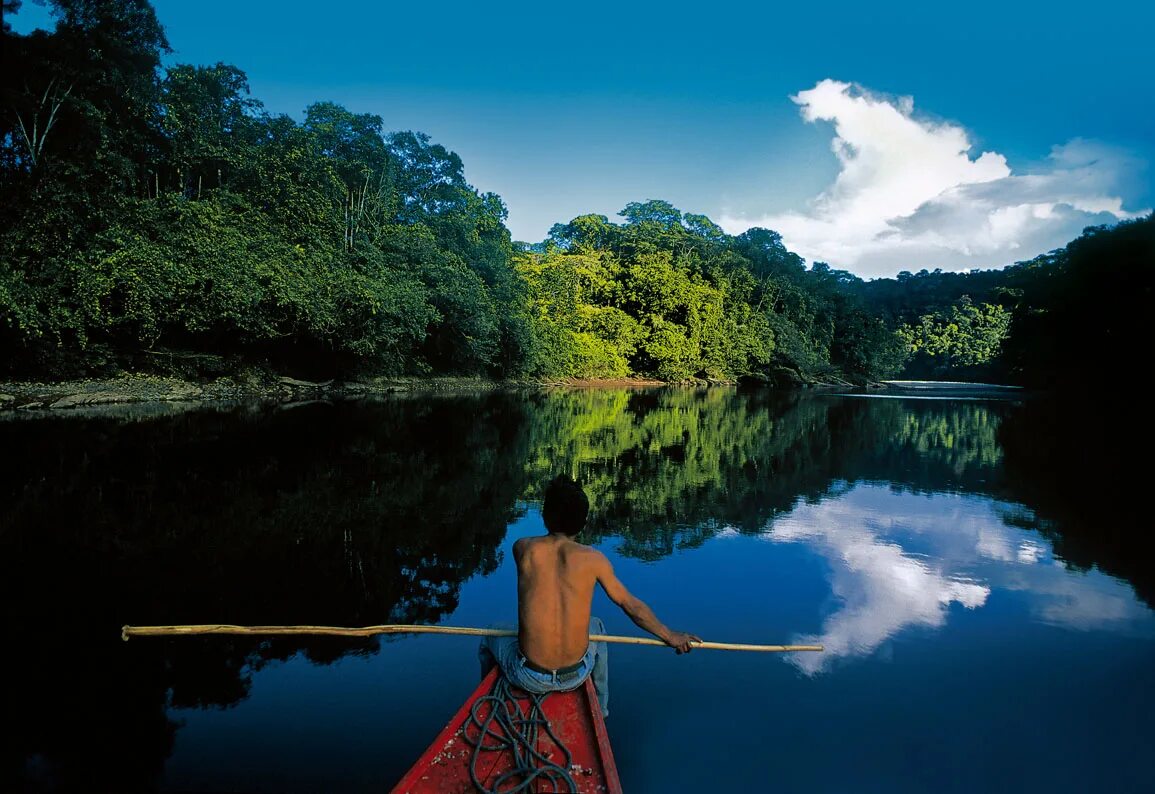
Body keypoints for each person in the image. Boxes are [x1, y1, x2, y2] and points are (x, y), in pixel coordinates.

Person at [480, 475, 700, 717]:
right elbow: (630, 605)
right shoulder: (594, 560)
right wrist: (669, 635)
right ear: (583, 523)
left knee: (490, 634)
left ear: (544, 516)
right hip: (575, 675)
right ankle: (601, 709)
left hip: (528, 676)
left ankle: (489, 702)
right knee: (597, 626)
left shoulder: (523, 548)